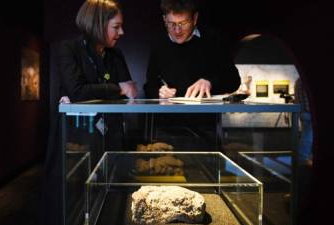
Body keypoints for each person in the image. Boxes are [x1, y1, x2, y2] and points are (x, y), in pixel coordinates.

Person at [42, 1, 137, 224]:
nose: (121, 32)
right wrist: (117, 89)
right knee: (73, 201)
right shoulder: (69, 49)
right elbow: (76, 91)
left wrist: (114, 90)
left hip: (109, 140)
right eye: (116, 26)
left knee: (109, 199)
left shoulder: (116, 55)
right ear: (97, 24)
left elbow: (130, 90)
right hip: (75, 142)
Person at [143, 0, 241, 150]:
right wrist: (159, 91)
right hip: (167, 133)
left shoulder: (212, 40)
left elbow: (234, 80)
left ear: (195, 19)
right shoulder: (159, 44)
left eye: (183, 23)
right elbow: (149, 84)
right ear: (164, 20)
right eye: (171, 24)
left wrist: (210, 81)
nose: (177, 30)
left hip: (206, 132)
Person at [294, 78, 313, 166]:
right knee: (308, 137)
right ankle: (304, 159)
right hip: (309, 113)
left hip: (303, 112)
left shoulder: (298, 81)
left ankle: (306, 158)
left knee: (306, 135)